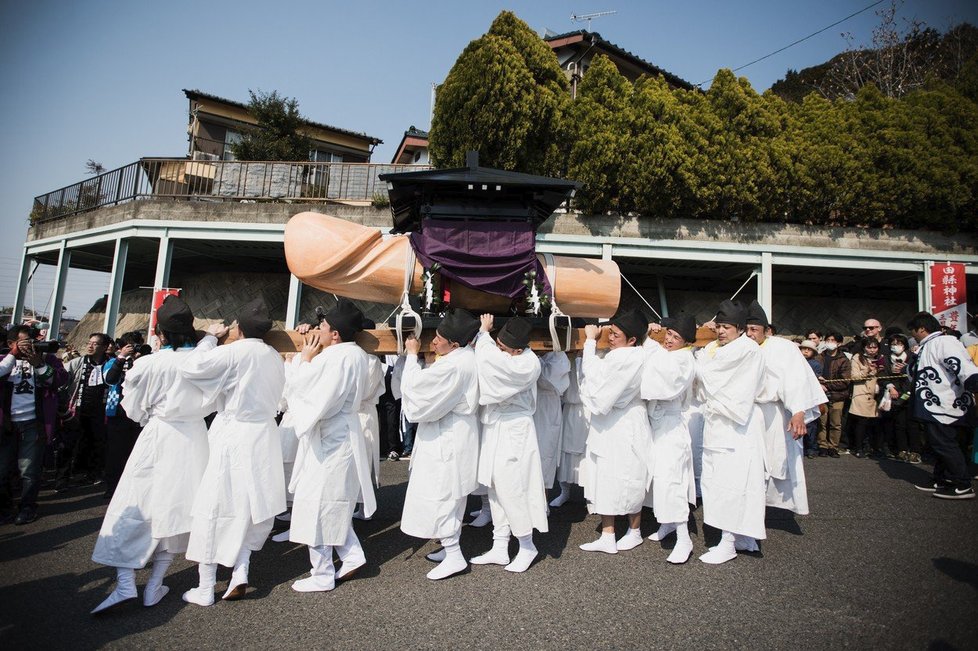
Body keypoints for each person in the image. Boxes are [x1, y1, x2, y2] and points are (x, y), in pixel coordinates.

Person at [90, 296, 216, 614]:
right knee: (175, 511)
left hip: (158, 433)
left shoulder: (150, 363)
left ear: (159, 333)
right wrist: (211, 337)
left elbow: (132, 409)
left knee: (134, 505)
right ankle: (156, 583)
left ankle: (125, 583)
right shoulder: (205, 359)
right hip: (193, 438)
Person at [181, 298, 286, 606]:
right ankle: (241, 571)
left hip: (233, 432)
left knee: (216, 504)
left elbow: (192, 368)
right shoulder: (274, 357)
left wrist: (211, 338)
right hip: (264, 434)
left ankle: (206, 586)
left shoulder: (232, 352)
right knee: (251, 504)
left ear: (238, 328)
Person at [284, 298, 375, 592]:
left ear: (335, 333)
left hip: (330, 436)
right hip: (342, 431)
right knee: (333, 501)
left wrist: (303, 360)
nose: (318, 331)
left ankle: (322, 573)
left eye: (322, 326)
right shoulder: (357, 355)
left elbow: (311, 393)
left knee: (318, 504)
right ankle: (351, 556)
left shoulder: (334, 358)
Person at [399, 308, 481, 580]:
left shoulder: (453, 364)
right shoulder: (465, 357)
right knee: (452, 496)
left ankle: (454, 554)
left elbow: (418, 392)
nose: (433, 342)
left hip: (447, 437)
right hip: (456, 433)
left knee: (443, 494)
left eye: (439, 338)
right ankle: (449, 549)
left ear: (455, 344)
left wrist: (412, 357)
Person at [471, 315, 547, 573]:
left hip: (515, 430)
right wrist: (485, 337)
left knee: (514, 488)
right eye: (497, 343)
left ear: (518, 349)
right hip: (496, 426)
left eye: (503, 347)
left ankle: (527, 545)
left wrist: (482, 334)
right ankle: (500, 545)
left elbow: (491, 360)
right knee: (495, 486)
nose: (498, 349)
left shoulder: (528, 364)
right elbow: (492, 356)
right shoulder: (506, 354)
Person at [695, 300, 766, 564]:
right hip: (719, 425)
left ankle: (728, 542)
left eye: (727, 327)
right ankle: (744, 537)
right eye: (719, 327)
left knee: (732, 485)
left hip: (735, 427)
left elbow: (711, 375)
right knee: (719, 482)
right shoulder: (722, 349)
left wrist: (700, 360)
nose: (721, 332)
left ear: (739, 328)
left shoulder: (746, 350)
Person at [578, 309, 654, 555]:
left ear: (632, 340)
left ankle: (634, 531)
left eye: (616, 335)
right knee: (606, 476)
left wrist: (590, 342)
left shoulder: (627, 357)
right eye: (610, 333)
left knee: (630, 474)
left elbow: (597, 380)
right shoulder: (627, 354)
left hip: (624, 423)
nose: (610, 338)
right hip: (610, 424)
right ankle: (608, 534)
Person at [744, 301, 825, 522]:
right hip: (747, 414)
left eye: (755, 330)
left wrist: (798, 412)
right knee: (750, 462)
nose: (750, 334)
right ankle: (749, 507)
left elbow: (796, 381)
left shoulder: (783, 348)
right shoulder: (739, 348)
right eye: (746, 329)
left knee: (775, 459)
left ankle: (764, 507)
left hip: (776, 414)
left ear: (766, 331)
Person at [641, 315, 697, 564]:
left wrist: (649, 343)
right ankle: (667, 523)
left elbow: (665, 382)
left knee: (672, 480)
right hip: (657, 424)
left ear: (686, 342)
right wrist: (649, 336)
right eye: (669, 334)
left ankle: (684, 537)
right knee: (657, 479)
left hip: (672, 427)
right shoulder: (668, 353)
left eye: (676, 337)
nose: (670, 340)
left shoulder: (684, 359)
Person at [0, 325, 68, 525]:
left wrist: (38, 364)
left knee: (29, 470)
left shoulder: (47, 359)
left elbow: (59, 380)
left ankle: (28, 507)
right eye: (23, 343)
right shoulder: (4, 360)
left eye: (32, 342)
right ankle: (5, 509)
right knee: (3, 470)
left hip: (34, 422)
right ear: (11, 343)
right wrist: (13, 355)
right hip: (7, 424)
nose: (29, 347)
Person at [907, 312, 978, 499]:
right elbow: (914, 372)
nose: (912, 336)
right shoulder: (928, 346)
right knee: (938, 443)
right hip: (934, 403)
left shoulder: (944, 342)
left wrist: (973, 381)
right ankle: (942, 479)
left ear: (922, 328)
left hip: (945, 403)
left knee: (944, 443)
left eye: (913, 331)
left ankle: (962, 484)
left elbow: (961, 364)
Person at [102, 331, 147, 500]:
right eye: (130, 346)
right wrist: (121, 358)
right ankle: (112, 487)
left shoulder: (144, 362)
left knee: (136, 453)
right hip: (117, 412)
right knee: (115, 453)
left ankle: (133, 488)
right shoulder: (113, 361)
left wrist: (138, 360)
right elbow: (110, 379)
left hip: (139, 413)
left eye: (136, 346)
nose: (133, 349)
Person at [61, 333, 111, 485]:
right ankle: (64, 477)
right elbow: (62, 378)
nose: (90, 346)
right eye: (89, 342)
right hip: (78, 409)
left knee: (96, 442)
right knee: (71, 444)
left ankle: (93, 474)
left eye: (95, 344)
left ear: (104, 347)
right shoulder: (78, 362)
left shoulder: (110, 364)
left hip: (101, 410)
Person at [549, 351, 587, 508]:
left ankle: (590, 496)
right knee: (565, 450)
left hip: (589, 410)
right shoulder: (564, 356)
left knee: (587, 453)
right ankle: (564, 491)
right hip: (570, 409)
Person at [533, 351, 570, 501]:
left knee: (544, 454)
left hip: (546, 405)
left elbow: (548, 381)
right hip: (528, 403)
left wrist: (534, 359)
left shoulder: (559, 356)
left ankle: (542, 503)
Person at [848, 338, 885, 459]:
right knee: (861, 421)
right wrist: (868, 369)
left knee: (876, 423)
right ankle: (858, 448)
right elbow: (854, 376)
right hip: (862, 392)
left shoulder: (882, 358)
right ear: (864, 347)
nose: (872, 350)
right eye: (869, 347)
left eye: (875, 347)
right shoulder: (857, 358)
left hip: (878, 393)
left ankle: (875, 447)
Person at [817, 332, 851, 458]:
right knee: (822, 421)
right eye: (828, 340)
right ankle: (822, 446)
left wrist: (827, 385)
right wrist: (820, 385)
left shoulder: (844, 360)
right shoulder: (819, 357)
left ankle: (833, 446)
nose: (830, 342)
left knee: (835, 423)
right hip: (821, 395)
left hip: (838, 395)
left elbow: (845, 381)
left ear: (839, 343)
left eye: (833, 340)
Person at [798, 340, 824, 459]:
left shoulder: (815, 364)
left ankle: (812, 448)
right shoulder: (796, 362)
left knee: (811, 424)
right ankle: (802, 447)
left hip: (810, 395)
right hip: (799, 395)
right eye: (804, 349)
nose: (806, 351)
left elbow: (815, 380)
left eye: (809, 350)